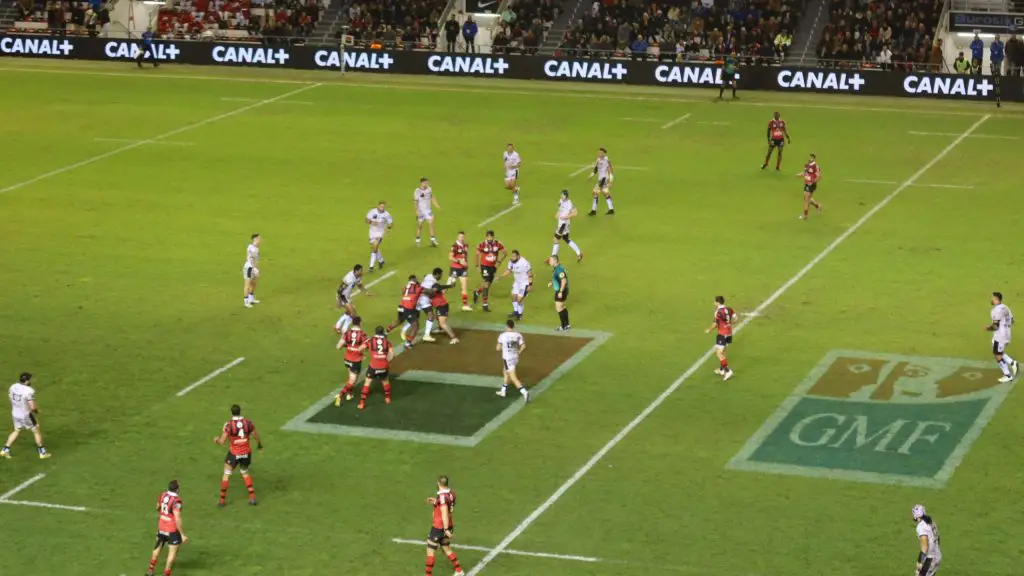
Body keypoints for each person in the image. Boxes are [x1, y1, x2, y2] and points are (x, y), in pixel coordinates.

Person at [212, 404, 263, 507]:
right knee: (244, 472)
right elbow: (255, 435)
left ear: (231, 412)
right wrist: (260, 445)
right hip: (246, 453)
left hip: (234, 454)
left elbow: (222, 441)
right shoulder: (248, 423)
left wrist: (216, 440)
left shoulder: (229, 425)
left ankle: (222, 501)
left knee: (226, 474)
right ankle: (252, 498)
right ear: (240, 411)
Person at [1, 372, 50, 460]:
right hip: (25, 414)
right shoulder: (29, 391)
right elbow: (32, 406)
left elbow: (10, 398)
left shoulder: (13, 386)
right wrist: (37, 411)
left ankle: (5, 450)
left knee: (16, 430)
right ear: (27, 381)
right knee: (36, 430)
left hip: (15, 413)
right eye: (30, 379)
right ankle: (42, 452)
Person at [424, 476, 464, 576]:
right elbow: (446, 504)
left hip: (439, 527)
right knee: (446, 547)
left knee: (430, 550)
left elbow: (444, 512)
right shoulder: (451, 493)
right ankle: (459, 570)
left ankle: (428, 575)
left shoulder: (442, 497)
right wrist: (435, 502)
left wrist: (445, 529)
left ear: (438, 483)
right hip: (449, 525)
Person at [147, 480, 188, 576]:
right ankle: (166, 573)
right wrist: (182, 534)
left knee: (158, 546)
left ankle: (150, 570)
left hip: (161, 526)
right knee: (172, 551)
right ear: (177, 489)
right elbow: (177, 518)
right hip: (172, 529)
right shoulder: (177, 501)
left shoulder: (163, 495)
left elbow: (158, 507)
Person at [335, 316, 369, 404]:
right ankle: (340, 395)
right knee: (353, 380)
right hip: (355, 360)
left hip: (347, 359)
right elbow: (363, 348)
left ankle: (349, 394)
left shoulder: (346, 333)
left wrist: (348, 346)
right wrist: (361, 353)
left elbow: (338, 346)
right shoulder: (363, 334)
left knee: (351, 377)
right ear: (360, 323)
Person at [423, 268, 460, 344]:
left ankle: (454, 338)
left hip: (442, 306)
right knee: (439, 320)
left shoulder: (435, 285)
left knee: (442, 323)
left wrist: (449, 285)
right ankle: (441, 329)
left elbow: (435, 289)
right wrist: (449, 286)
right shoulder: (431, 282)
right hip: (439, 306)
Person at [987, 291, 1017, 383]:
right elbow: (1012, 320)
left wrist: (988, 328)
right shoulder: (1005, 307)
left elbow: (995, 326)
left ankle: (1007, 375)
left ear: (996, 299)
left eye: (993, 298)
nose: (991, 300)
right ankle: (1012, 362)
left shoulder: (996, 310)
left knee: (997, 355)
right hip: (1007, 332)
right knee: (995, 348)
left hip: (1000, 335)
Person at [473, 229, 506, 312]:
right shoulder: (482, 245)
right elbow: (476, 255)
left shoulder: (498, 244)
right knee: (487, 284)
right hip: (485, 266)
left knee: (488, 284)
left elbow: (505, 253)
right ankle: (485, 304)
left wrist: (499, 261)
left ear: (493, 237)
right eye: (488, 236)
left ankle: (477, 291)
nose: (490, 238)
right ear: (486, 237)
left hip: (493, 267)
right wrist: (477, 266)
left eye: (491, 236)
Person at [705, 296, 737, 381]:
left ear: (718, 302)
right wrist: (729, 324)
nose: (714, 303)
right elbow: (736, 319)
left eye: (715, 302)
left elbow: (715, 324)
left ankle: (728, 370)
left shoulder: (718, 312)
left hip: (722, 334)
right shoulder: (729, 309)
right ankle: (722, 369)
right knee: (724, 351)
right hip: (729, 332)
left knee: (718, 353)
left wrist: (709, 330)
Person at [496, 320, 529, 400]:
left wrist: (503, 347)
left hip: (507, 359)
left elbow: (497, 348)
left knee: (513, 378)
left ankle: (524, 392)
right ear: (513, 326)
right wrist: (519, 352)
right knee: (505, 372)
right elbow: (523, 346)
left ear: (506, 326)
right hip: (515, 358)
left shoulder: (502, 336)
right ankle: (503, 391)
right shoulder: (517, 335)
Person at [362, 326, 395, 407]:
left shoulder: (370, 340)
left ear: (375, 332)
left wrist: (363, 354)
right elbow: (392, 354)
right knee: (385, 381)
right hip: (383, 366)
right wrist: (387, 360)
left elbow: (360, 348)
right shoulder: (387, 342)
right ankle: (387, 398)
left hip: (373, 366)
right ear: (383, 332)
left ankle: (362, 403)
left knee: (367, 383)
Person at [386, 275, 423, 348]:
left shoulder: (406, 287)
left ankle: (385, 332)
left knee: (399, 321)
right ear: (414, 279)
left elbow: (404, 293)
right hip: (408, 308)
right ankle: (408, 343)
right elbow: (427, 291)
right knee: (415, 326)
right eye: (416, 279)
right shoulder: (417, 287)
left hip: (401, 306)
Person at [335, 264, 369, 335]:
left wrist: (365, 292)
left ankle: (337, 326)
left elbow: (359, 285)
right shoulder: (349, 278)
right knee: (353, 313)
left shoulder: (357, 276)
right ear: (356, 271)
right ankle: (345, 330)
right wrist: (339, 301)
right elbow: (340, 289)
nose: (362, 272)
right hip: (342, 296)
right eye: (361, 270)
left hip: (347, 296)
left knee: (348, 312)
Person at [499, 250, 532, 320]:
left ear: (518, 256)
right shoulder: (511, 262)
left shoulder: (524, 263)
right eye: (512, 256)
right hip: (517, 282)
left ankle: (520, 314)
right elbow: (509, 270)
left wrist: (530, 285)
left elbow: (530, 274)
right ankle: (515, 311)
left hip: (524, 283)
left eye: (514, 256)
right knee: (513, 296)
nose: (512, 257)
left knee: (519, 299)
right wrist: (501, 276)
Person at [552, 189, 583, 262]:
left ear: (566, 196)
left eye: (563, 195)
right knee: (566, 239)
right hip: (561, 222)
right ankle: (579, 253)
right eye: (561, 195)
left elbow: (575, 213)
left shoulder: (569, 203)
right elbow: (560, 209)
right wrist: (557, 214)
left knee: (555, 239)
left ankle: (553, 257)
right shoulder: (560, 201)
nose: (561, 196)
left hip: (564, 224)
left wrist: (566, 217)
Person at [912, 505, 941, 576]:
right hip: (937, 555)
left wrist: (919, 563)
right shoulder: (931, 522)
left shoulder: (921, 527)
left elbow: (924, 548)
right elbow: (938, 538)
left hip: (930, 558)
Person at [366, 201, 394, 272]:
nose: (382, 208)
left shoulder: (386, 214)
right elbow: (366, 219)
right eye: (381, 206)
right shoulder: (372, 211)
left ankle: (371, 266)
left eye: (383, 207)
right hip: (372, 232)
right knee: (375, 248)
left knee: (375, 246)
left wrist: (388, 228)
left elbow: (390, 223)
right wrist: (371, 222)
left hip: (380, 233)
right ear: (378, 206)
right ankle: (381, 261)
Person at [448, 231, 472, 311]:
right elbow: (450, 257)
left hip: (463, 269)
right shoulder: (454, 246)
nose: (462, 238)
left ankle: (465, 305)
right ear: (457, 237)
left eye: (463, 237)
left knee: (464, 287)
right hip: (455, 268)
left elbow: (464, 256)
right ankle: (436, 298)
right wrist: (459, 261)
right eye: (460, 237)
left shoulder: (466, 245)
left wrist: (466, 263)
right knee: (449, 286)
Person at [587, 147, 614, 216]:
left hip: (604, 180)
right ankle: (611, 209)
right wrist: (591, 176)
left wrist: (610, 181)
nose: (599, 153)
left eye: (601, 153)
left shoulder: (606, 161)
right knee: (606, 193)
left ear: (604, 153)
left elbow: (610, 171)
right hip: (600, 180)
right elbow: (595, 169)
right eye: (599, 152)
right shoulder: (598, 160)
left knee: (595, 193)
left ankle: (593, 210)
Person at [414, 177, 440, 248]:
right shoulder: (417, 191)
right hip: (421, 211)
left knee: (431, 222)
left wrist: (436, 204)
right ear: (421, 183)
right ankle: (417, 240)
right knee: (420, 226)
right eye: (425, 183)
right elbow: (415, 202)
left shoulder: (429, 189)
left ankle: (433, 240)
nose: (426, 184)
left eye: (427, 183)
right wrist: (416, 211)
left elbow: (432, 197)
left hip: (428, 210)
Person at [547, 256, 571, 331]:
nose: (549, 262)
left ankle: (563, 326)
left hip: (561, 290)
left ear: (555, 261)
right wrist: (552, 282)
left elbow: (563, 281)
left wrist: (560, 292)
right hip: (563, 290)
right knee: (562, 307)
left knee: (559, 308)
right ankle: (567, 325)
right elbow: (557, 278)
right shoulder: (558, 268)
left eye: (550, 261)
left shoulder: (559, 269)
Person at [797, 153, 822, 219]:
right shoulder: (806, 165)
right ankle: (818, 206)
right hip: (807, 184)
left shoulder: (815, 166)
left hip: (811, 184)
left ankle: (805, 215)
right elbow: (805, 173)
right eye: (809, 157)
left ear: (814, 159)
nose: (810, 158)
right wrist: (799, 175)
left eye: (811, 157)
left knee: (806, 199)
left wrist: (813, 182)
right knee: (808, 199)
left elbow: (819, 176)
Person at [242, 233, 261, 308]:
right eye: (259, 238)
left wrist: (257, 268)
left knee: (254, 283)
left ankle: (251, 298)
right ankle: (246, 302)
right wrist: (255, 269)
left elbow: (256, 260)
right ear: (255, 239)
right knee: (247, 284)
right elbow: (252, 259)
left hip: (253, 267)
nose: (260, 240)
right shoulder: (251, 248)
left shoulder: (256, 248)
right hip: (249, 268)